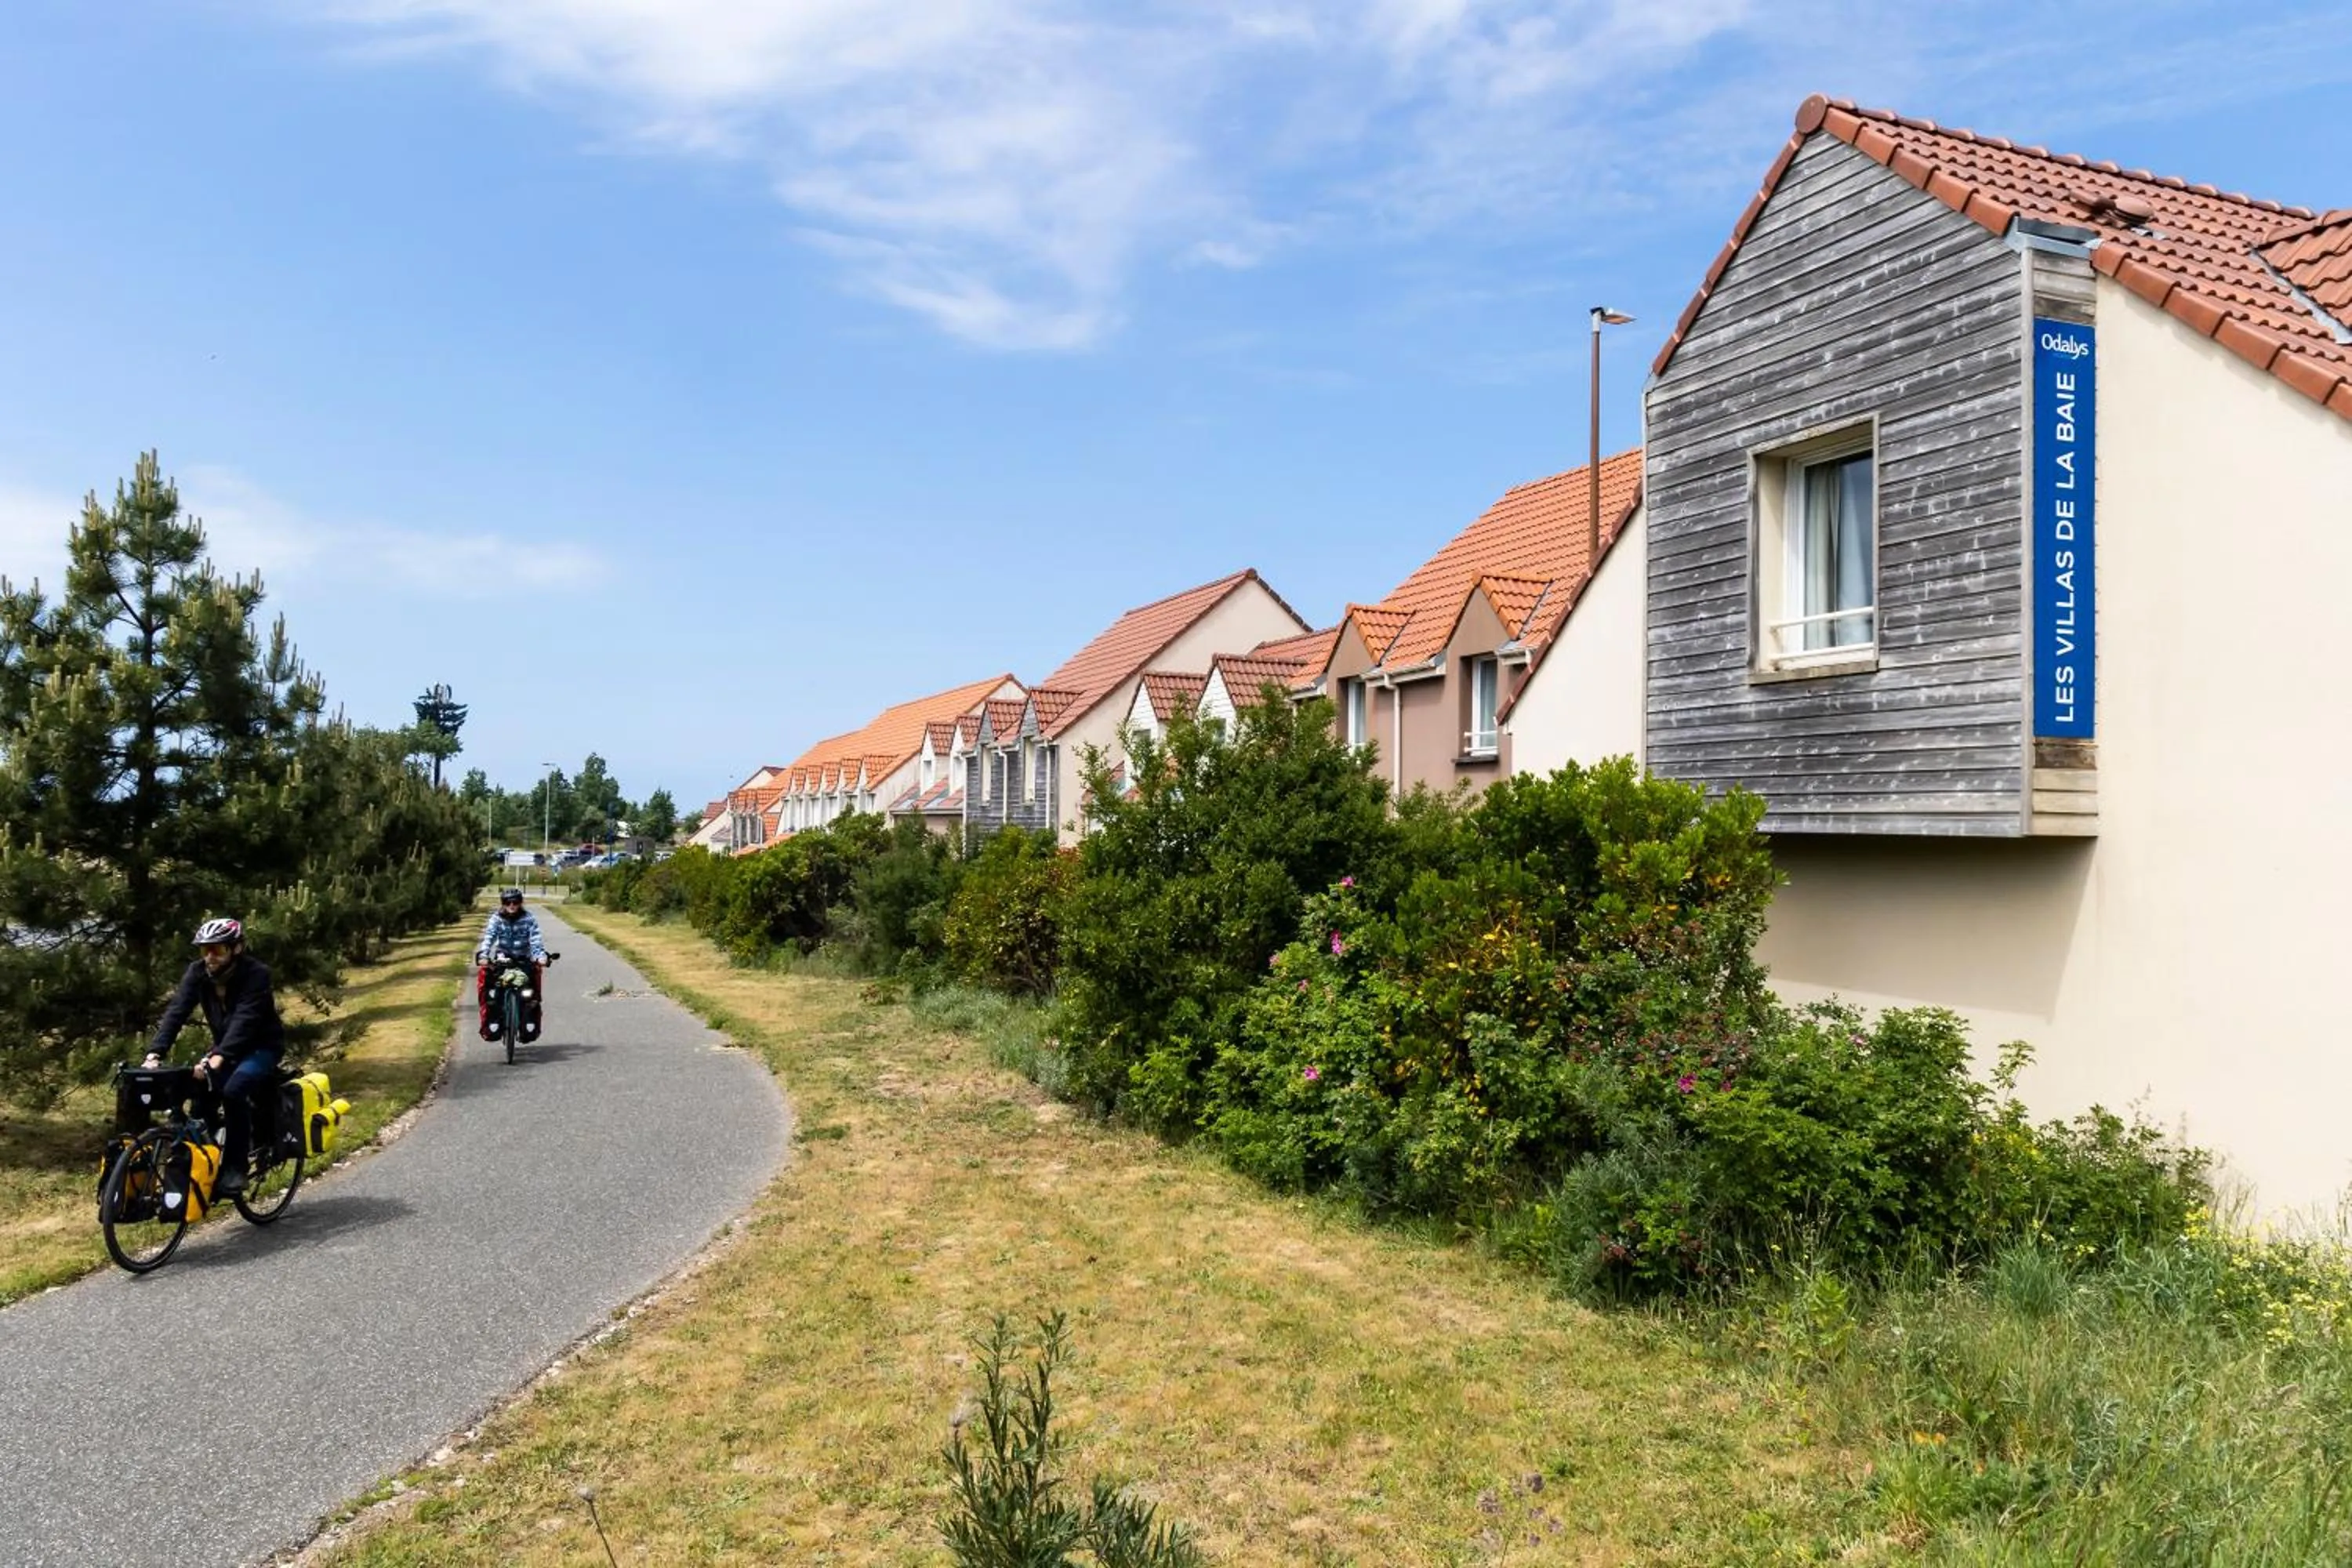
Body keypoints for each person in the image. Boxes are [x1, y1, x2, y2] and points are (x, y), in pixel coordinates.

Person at [143, 916, 283, 1198]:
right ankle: (207, 1160)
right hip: (225, 1048)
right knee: (198, 1094)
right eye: (204, 950)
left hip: (261, 1046)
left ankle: (235, 1168)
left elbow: (246, 1019)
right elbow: (177, 1012)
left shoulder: (256, 974)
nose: (210, 956)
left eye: (217, 950)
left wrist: (219, 1056)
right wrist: (155, 1052)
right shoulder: (197, 973)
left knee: (234, 1091)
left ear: (237, 948)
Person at [476, 887, 550, 1043]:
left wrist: (540, 957)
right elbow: (489, 937)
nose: (511, 905)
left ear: (520, 903)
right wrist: (484, 955)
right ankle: (497, 1021)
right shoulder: (496, 918)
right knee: (495, 992)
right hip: (503, 959)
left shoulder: (529, 918)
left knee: (528, 994)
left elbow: (535, 940)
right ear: (502, 904)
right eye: (507, 902)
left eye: (515, 902)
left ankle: (525, 1025)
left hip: (523, 959)